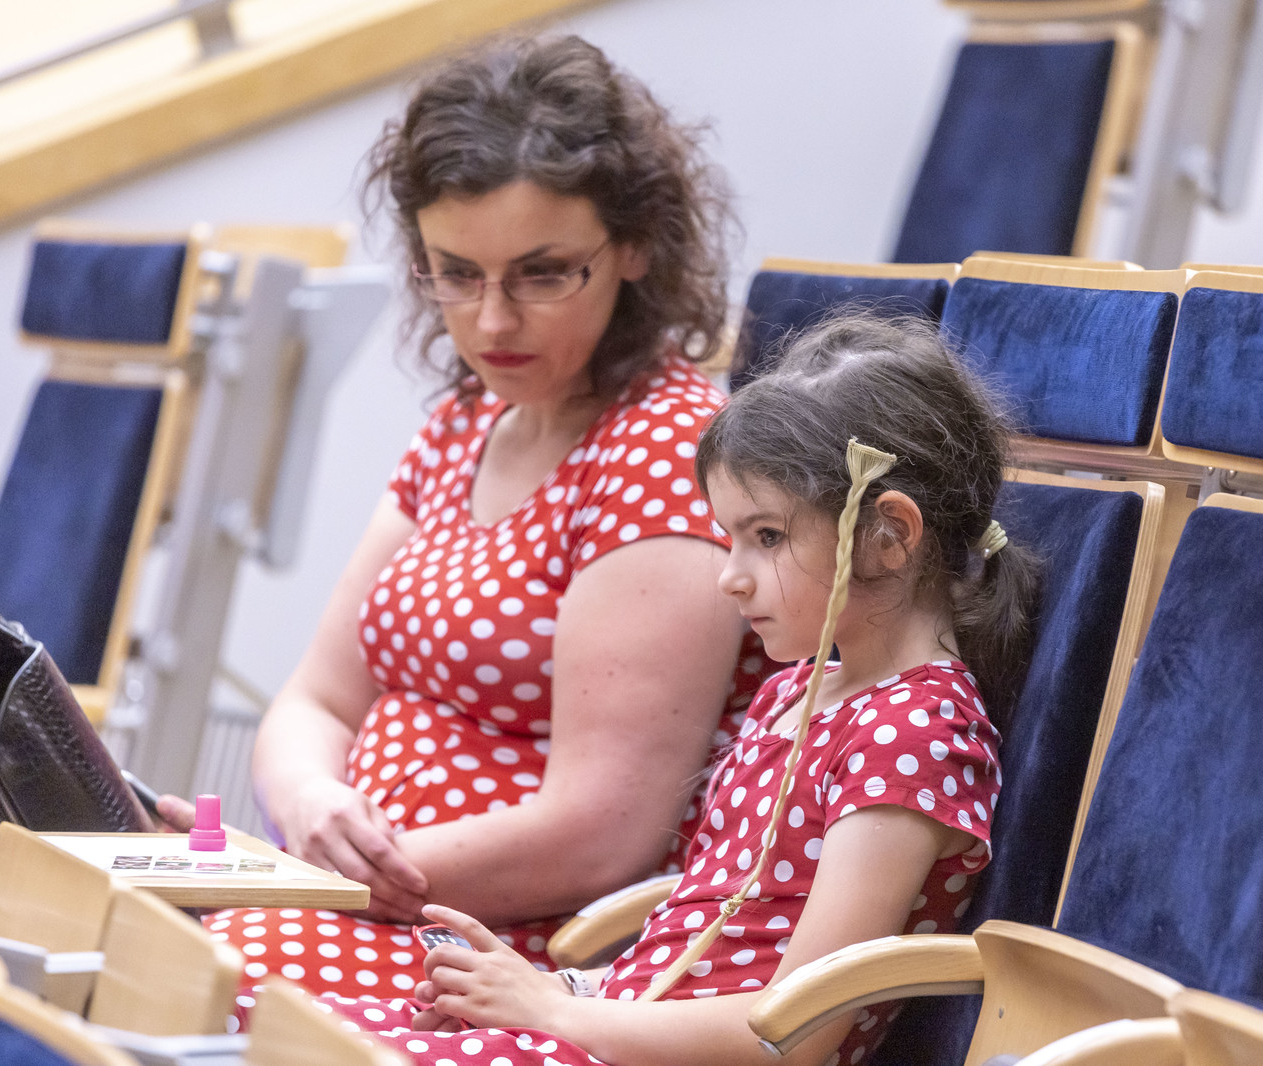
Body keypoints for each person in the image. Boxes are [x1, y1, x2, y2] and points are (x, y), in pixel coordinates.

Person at [313, 313, 1042, 1066]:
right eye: (731, 539)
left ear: (888, 535)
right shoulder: (795, 693)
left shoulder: (913, 736)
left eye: (766, 537)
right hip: (622, 1031)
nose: (730, 577)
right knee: (288, 1025)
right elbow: (693, 948)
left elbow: (794, 1033)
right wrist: (543, 990)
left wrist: (553, 1013)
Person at [206, 33, 770, 996]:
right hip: (361, 899)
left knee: (192, 976)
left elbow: (601, 834)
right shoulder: (467, 424)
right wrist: (307, 803)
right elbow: (315, 702)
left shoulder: (667, 453)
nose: (493, 321)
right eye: (455, 273)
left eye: (542, 273)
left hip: (506, 951)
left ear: (636, 247)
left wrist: (311, 879)